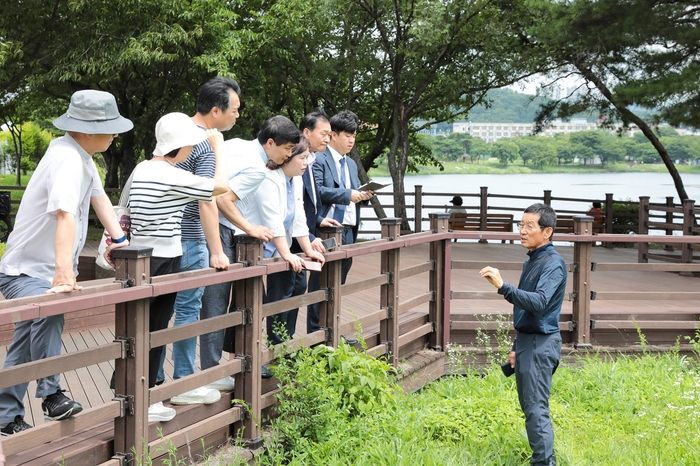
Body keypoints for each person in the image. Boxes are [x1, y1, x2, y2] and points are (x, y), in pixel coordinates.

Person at [0, 90, 133, 435]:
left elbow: (101, 200)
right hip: (26, 269)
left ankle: (5, 416)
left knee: (27, 340)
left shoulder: (82, 156)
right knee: (51, 308)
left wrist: (118, 241)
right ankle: (51, 395)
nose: (116, 134)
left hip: (36, 266)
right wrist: (63, 274)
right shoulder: (67, 159)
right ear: (88, 130)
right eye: (111, 127)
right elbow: (64, 214)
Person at [127, 112, 229, 422]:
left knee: (141, 329)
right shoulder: (171, 175)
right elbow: (220, 187)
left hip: (140, 257)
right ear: (183, 146)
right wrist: (217, 147)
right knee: (153, 330)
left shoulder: (143, 168)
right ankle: (144, 403)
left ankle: (140, 396)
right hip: (164, 259)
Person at [154, 77, 240, 406]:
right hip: (189, 238)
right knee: (188, 310)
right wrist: (217, 250)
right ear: (215, 111)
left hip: (162, 237)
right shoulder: (203, 143)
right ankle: (185, 381)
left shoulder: (175, 132)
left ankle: (158, 382)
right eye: (234, 110)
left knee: (160, 313)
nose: (236, 116)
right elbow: (208, 199)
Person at [199, 115, 299, 379]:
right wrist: (250, 228)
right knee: (217, 302)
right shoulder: (257, 168)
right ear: (270, 143)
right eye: (288, 149)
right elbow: (222, 199)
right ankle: (212, 372)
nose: (288, 155)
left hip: (204, 225)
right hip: (220, 229)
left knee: (212, 302)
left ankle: (218, 368)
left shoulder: (236, 144)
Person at [479, 203, 566, 466]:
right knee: (530, 408)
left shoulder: (553, 264)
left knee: (536, 410)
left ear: (547, 231)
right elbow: (527, 309)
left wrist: (503, 287)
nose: (522, 231)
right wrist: (518, 345)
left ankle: (544, 463)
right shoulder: (533, 258)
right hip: (529, 341)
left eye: (530, 226)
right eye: (521, 224)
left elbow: (539, 302)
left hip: (542, 343)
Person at [253, 137, 326, 345]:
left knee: (296, 286)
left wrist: (307, 249)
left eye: (307, 158)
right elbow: (273, 220)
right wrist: (287, 254)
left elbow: (299, 217)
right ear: (287, 158)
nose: (306, 163)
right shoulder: (269, 178)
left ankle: (285, 342)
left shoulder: (296, 179)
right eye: (302, 158)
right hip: (258, 246)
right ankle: (273, 347)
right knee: (267, 299)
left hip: (278, 244)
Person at [309, 110, 372, 334]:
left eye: (354, 135)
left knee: (339, 282)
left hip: (349, 229)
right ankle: (315, 334)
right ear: (333, 135)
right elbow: (317, 191)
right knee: (320, 283)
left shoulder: (352, 164)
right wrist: (347, 194)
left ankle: (333, 331)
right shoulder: (318, 158)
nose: (352, 140)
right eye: (347, 135)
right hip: (326, 229)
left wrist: (363, 195)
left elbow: (353, 192)